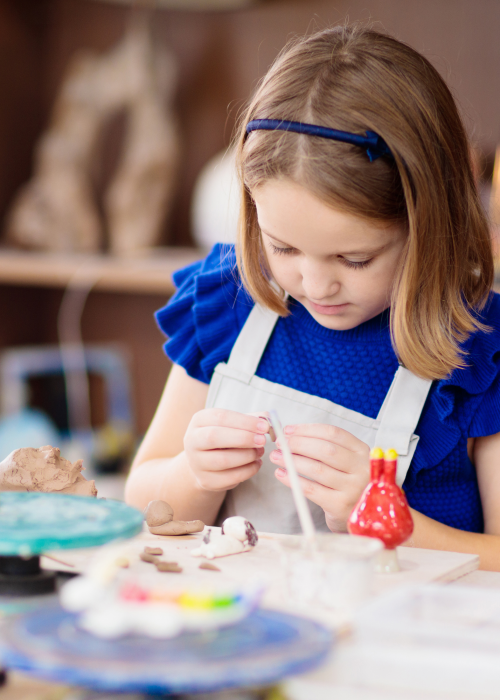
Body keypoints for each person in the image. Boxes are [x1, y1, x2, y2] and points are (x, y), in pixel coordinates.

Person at [125, 25, 500, 570]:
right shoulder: (229, 302)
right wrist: (191, 474)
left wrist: (390, 519)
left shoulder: (479, 351)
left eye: (354, 260)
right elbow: (141, 499)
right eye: (284, 247)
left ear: (428, 226)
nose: (316, 285)